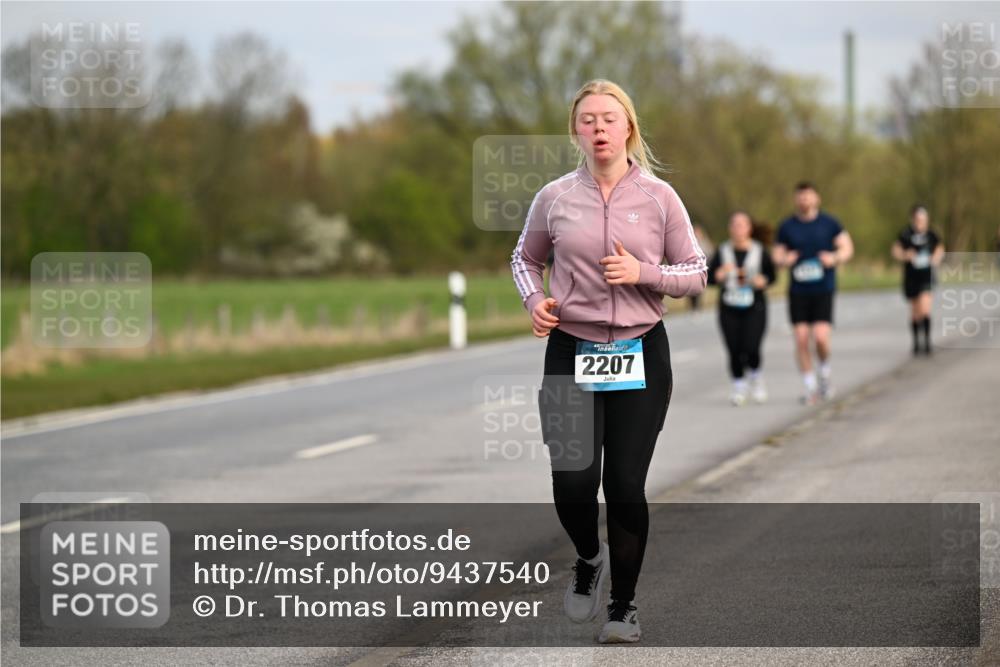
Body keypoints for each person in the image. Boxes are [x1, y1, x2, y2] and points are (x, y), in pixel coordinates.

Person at [510, 79, 706, 643]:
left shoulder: (659, 198)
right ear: (576, 129)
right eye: (588, 119)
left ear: (629, 128)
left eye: (609, 119)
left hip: (641, 348)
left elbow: (696, 273)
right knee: (572, 482)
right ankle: (589, 557)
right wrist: (535, 300)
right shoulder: (554, 198)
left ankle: (623, 606)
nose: (599, 128)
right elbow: (525, 259)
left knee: (623, 483)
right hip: (572, 349)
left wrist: (643, 274)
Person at [772, 182, 854, 404]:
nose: (804, 200)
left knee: (820, 338)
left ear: (816, 199)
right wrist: (783, 260)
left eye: (808, 197)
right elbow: (777, 255)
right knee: (800, 340)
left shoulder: (830, 223)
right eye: (800, 197)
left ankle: (824, 374)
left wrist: (834, 258)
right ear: (796, 200)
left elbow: (847, 248)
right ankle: (810, 388)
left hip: (823, 289)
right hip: (798, 291)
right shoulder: (787, 226)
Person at [707, 211, 776, 405]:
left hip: (755, 306)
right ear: (730, 229)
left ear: (749, 228)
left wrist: (764, 280)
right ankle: (738, 385)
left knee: (751, 346)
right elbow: (709, 278)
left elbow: (772, 275)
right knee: (733, 348)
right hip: (729, 306)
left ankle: (755, 375)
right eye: (734, 225)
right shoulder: (722, 251)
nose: (738, 229)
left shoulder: (759, 250)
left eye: (742, 225)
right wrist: (719, 275)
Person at [891, 205, 944, 355]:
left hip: (926, 276)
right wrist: (905, 255)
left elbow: (940, 249)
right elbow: (895, 250)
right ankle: (916, 343)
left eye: (924, 219)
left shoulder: (932, 234)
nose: (921, 222)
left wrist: (935, 259)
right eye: (919, 219)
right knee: (915, 312)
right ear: (913, 219)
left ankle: (927, 342)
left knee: (925, 308)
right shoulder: (906, 234)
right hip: (911, 277)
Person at [688, 224, 714, 312]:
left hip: (702, 269)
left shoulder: (705, 243)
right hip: (691, 270)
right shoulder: (689, 243)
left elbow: (710, 254)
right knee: (690, 289)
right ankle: (693, 307)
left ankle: (698, 306)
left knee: (699, 288)